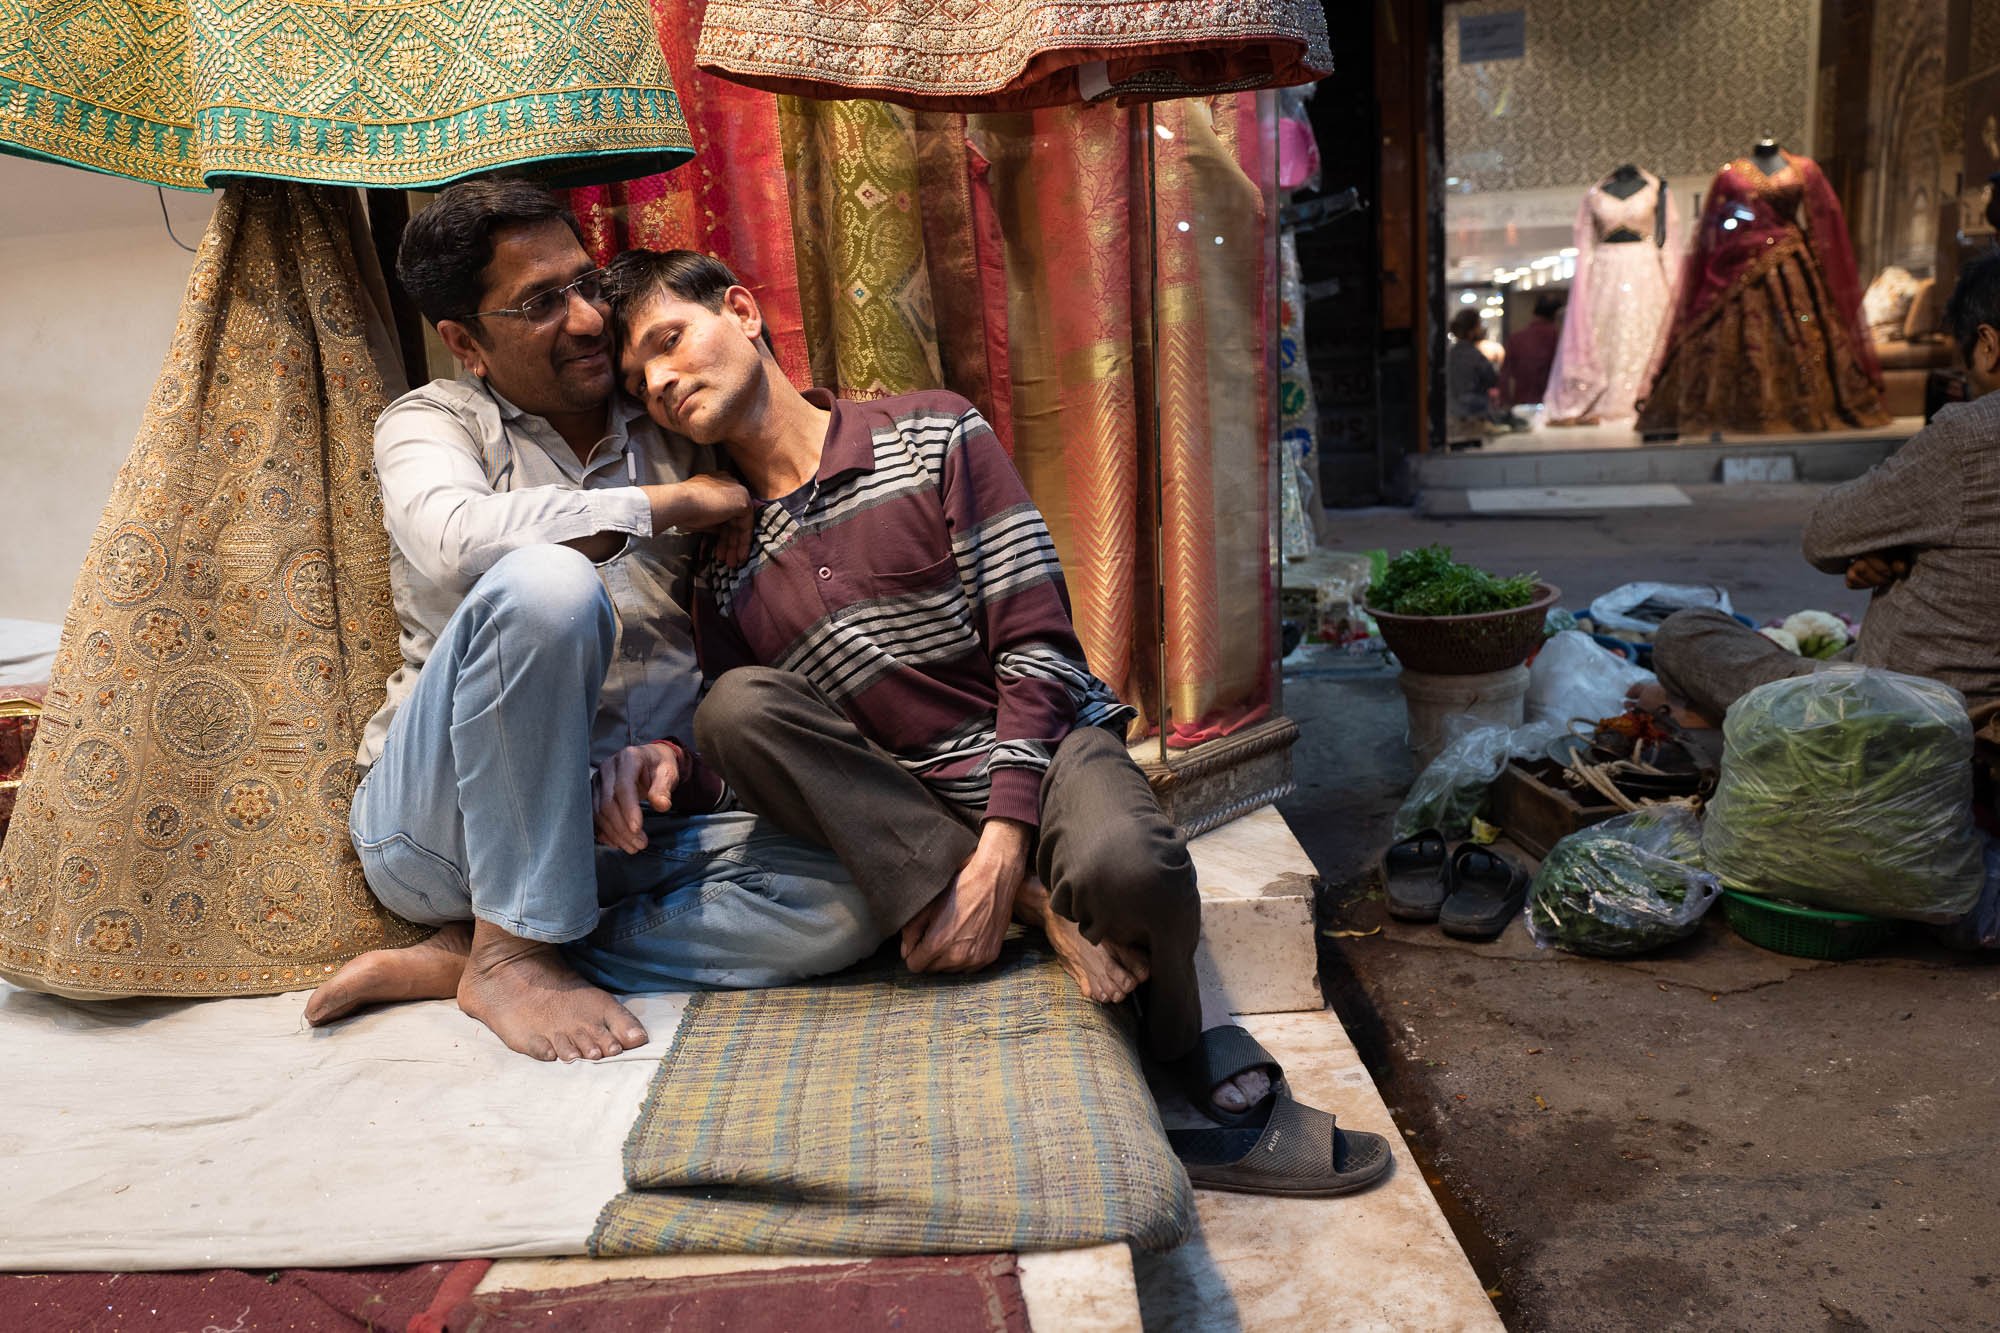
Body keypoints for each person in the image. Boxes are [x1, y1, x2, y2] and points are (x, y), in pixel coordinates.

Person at [603, 248, 1393, 1195]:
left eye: (669, 341)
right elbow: (765, 757)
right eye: (638, 378)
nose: (659, 381)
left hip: (1047, 753)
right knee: (729, 705)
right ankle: (1040, 919)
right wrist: (672, 768)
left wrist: (1003, 848)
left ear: (742, 310)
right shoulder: (723, 564)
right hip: (905, 803)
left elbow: (1038, 646)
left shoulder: (932, 432)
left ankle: (1177, 1040)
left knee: (1127, 865)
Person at [302, 181, 884, 1062]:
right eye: (540, 303)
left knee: (853, 897)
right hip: (443, 827)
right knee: (547, 583)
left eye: (588, 284)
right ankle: (510, 953)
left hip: (621, 829)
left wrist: (675, 759)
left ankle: (509, 947)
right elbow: (454, 541)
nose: (584, 320)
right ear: (466, 343)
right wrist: (667, 503)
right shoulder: (432, 423)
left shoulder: (668, 410)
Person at [1643, 250, 2000, 727]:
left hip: (1898, 709)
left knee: (1683, 632)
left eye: (1969, 366)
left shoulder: (1972, 435)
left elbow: (1825, 536)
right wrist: (1901, 555)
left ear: (1989, 344)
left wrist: (1889, 549)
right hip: (1937, 690)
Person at [1447, 307, 1503, 438]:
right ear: (1472, 330)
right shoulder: (1475, 356)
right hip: (1474, 419)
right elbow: (1492, 380)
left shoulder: (1450, 354)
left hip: (1452, 418)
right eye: (1479, 325)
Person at [1502, 293, 1564, 408]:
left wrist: (1506, 404)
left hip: (1521, 402)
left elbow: (1505, 375)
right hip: (1552, 404)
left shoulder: (1516, 339)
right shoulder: (1558, 339)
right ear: (1556, 315)